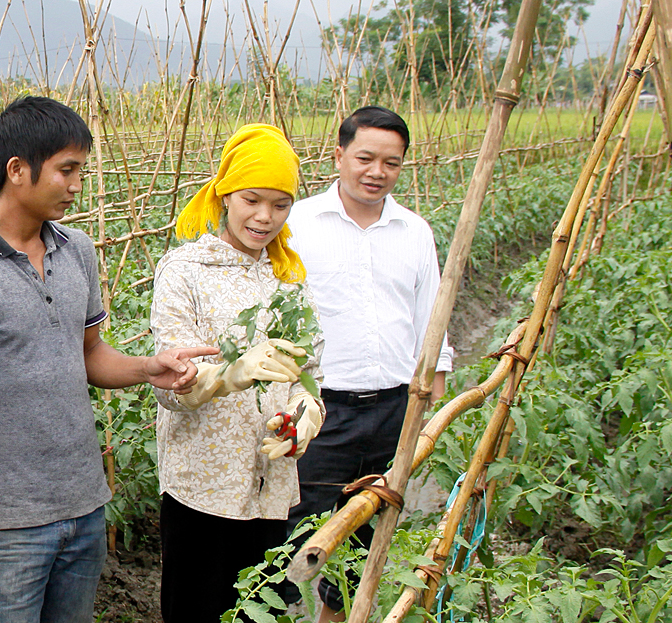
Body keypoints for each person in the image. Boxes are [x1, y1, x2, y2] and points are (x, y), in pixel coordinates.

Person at [0, 96, 215, 623]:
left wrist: (151, 367)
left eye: (81, 169)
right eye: (67, 170)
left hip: (83, 506)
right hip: (9, 523)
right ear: (17, 170)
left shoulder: (76, 249)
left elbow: (90, 355)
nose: (78, 184)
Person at [150, 123, 325, 623]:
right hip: (202, 491)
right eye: (252, 199)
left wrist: (305, 413)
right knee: (197, 612)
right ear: (225, 194)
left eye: (281, 204)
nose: (265, 217)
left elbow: (309, 372)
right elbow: (169, 387)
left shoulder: (288, 277)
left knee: (258, 611)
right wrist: (228, 375)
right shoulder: (185, 271)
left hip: (271, 487)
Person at [285, 106, 454, 621]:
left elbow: (432, 321)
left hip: (392, 408)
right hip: (319, 411)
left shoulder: (414, 231)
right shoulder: (297, 224)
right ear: (339, 156)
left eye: (392, 162)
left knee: (366, 533)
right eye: (365, 158)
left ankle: (335, 617)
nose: (377, 172)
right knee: (290, 536)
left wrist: (433, 401)